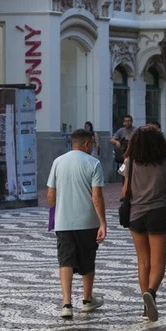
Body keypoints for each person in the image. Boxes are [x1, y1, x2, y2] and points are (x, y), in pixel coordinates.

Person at [123, 124, 166, 322]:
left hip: (136, 215)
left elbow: (125, 192)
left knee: (143, 261)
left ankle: (145, 304)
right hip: (158, 213)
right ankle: (151, 292)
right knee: (158, 262)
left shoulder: (130, 162)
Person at [47, 128, 107, 319]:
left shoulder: (58, 162)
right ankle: (87, 300)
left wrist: (54, 214)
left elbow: (50, 195)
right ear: (87, 144)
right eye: (92, 144)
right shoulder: (94, 163)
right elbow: (96, 196)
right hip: (87, 221)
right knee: (88, 261)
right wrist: (102, 222)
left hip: (63, 222)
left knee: (65, 260)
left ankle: (67, 304)